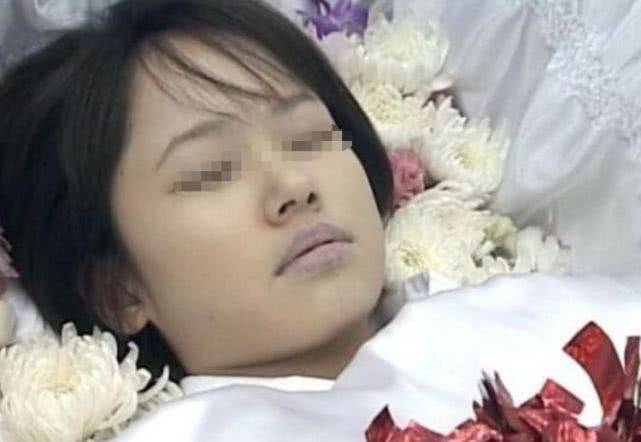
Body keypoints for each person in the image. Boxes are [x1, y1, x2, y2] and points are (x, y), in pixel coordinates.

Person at [0, 0, 396, 383]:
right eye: (212, 171)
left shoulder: (435, 322)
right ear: (117, 293)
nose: (295, 186)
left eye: (309, 137)